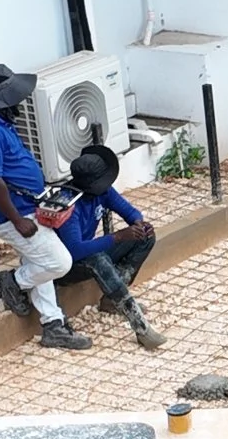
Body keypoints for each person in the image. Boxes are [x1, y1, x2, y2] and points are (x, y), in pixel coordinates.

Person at [0, 65, 90, 351]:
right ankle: (11, 282)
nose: (18, 102)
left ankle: (52, 324)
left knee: (41, 260)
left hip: (28, 204)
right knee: (58, 262)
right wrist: (18, 220)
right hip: (14, 214)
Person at [52, 144, 161, 350]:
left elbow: (129, 211)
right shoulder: (68, 203)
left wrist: (138, 224)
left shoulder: (102, 192)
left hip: (89, 253)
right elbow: (74, 250)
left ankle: (111, 301)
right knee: (97, 258)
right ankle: (138, 323)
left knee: (146, 237)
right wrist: (117, 237)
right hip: (66, 266)